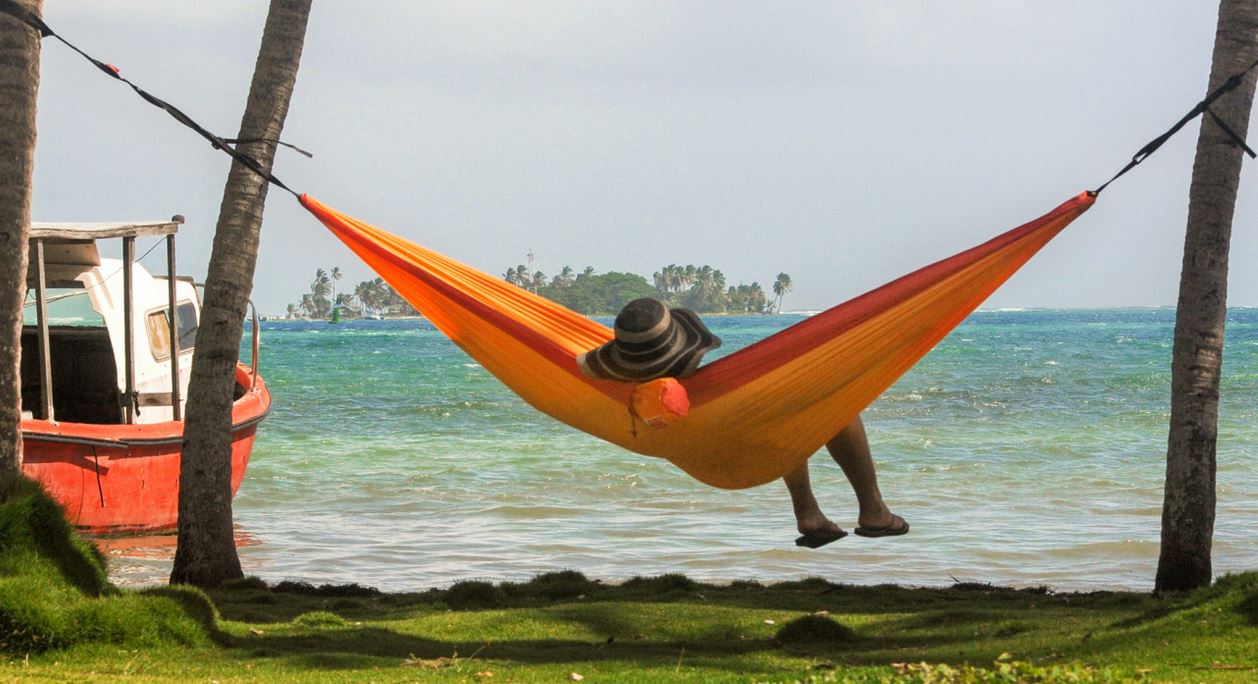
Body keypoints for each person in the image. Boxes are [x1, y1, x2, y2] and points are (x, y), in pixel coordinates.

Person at [578, 297, 909, 548]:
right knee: (834, 406)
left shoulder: (624, 395)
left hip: (704, 464)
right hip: (747, 454)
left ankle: (809, 512)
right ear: (682, 346)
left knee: (780, 413)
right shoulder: (710, 391)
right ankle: (872, 508)